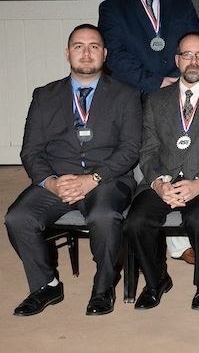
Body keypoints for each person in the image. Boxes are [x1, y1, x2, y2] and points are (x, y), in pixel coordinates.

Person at [6, 25, 141, 317]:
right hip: (59, 180)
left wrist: (92, 179)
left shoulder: (126, 95)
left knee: (104, 216)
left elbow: (130, 149)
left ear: (104, 54)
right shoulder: (44, 95)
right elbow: (30, 150)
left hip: (107, 179)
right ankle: (46, 285)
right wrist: (50, 183)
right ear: (67, 54)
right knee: (18, 217)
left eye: (94, 46)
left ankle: (103, 288)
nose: (86, 53)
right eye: (79, 46)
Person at [125, 32, 199, 311]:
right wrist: (157, 183)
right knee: (135, 223)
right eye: (187, 55)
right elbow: (148, 150)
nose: (193, 61)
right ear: (177, 60)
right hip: (164, 180)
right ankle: (156, 281)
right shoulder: (157, 99)